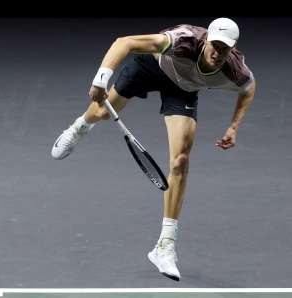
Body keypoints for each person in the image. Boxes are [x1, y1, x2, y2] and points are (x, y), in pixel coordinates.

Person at [51, 17, 256, 281]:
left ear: (233, 47)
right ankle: (79, 127)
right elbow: (124, 42)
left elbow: (249, 88)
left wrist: (234, 127)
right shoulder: (182, 41)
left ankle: (165, 246)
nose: (218, 52)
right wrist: (101, 80)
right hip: (152, 67)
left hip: (183, 89)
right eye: (214, 44)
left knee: (180, 161)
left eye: (224, 48)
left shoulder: (235, 70)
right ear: (206, 40)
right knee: (101, 113)